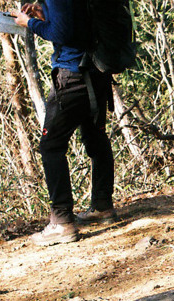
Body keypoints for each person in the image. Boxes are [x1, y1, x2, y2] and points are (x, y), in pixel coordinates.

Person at [12, 0, 117, 246]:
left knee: (51, 146)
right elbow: (75, 23)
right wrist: (43, 13)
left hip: (73, 77)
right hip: (97, 72)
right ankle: (103, 207)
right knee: (95, 137)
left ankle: (62, 222)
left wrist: (30, 23)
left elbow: (62, 33)